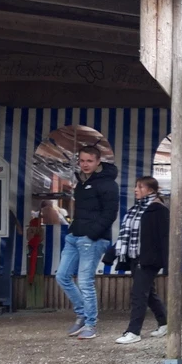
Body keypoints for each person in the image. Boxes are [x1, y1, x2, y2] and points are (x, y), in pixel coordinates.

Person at [58, 145, 119, 341]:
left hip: (93, 238)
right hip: (74, 236)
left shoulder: (108, 183)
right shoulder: (82, 182)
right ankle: (83, 314)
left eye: (89, 161)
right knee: (62, 276)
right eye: (82, 161)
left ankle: (91, 323)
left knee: (85, 281)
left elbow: (110, 213)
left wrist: (92, 234)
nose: (85, 164)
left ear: (98, 161)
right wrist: (74, 230)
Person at [111, 177, 169, 344]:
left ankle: (133, 331)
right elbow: (126, 235)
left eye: (139, 187)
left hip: (149, 259)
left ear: (150, 190)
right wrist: (112, 253)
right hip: (134, 256)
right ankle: (164, 323)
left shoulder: (159, 210)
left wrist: (167, 262)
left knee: (138, 294)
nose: (136, 190)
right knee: (148, 293)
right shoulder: (136, 209)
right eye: (136, 186)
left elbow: (164, 238)